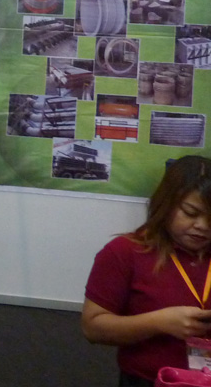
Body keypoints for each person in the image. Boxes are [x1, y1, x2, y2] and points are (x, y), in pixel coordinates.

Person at [83, 155, 211, 386]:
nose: (203, 226)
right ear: (166, 204)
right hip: (148, 381)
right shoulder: (124, 252)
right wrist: (159, 322)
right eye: (191, 213)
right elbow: (93, 328)